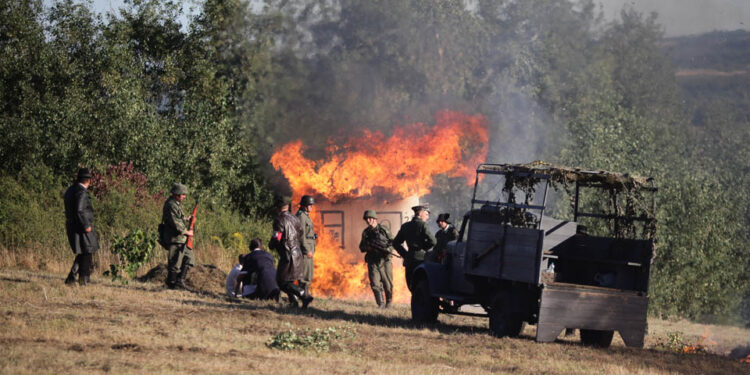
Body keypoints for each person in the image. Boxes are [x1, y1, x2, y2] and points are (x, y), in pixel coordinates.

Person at [269, 195, 313, 308]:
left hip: (287, 255)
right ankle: (293, 302)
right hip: (297, 253)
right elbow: (301, 234)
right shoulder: (294, 218)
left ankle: (303, 295)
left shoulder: (279, 219)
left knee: (282, 281)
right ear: (287, 206)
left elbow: (277, 237)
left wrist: (272, 244)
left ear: (278, 208)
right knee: (290, 280)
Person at [63, 168, 99, 286]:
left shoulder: (70, 190)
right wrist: (86, 225)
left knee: (84, 252)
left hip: (73, 225)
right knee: (88, 251)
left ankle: (71, 278)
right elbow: (80, 210)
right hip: (81, 227)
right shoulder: (82, 192)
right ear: (88, 180)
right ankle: (84, 280)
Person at [393, 205, 436, 290]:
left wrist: (405, 254)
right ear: (420, 213)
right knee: (422, 285)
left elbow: (395, 243)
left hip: (409, 260)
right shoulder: (423, 225)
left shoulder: (405, 226)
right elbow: (433, 241)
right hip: (421, 260)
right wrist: (424, 248)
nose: (427, 217)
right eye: (426, 214)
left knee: (411, 286)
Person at [161, 183, 194, 290]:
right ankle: (171, 285)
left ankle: (180, 281)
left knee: (190, 259)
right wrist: (187, 232)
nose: (184, 197)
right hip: (175, 238)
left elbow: (178, 219)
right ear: (177, 194)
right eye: (183, 194)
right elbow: (175, 223)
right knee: (175, 263)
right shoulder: (170, 204)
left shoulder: (175, 204)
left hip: (181, 239)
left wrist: (186, 219)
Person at [359, 210, 394, 308]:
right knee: (374, 283)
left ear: (375, 219)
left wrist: (388, 249)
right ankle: (380, 304)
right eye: (367, 219)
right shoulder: (366, 233)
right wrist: (368, 248)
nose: (368, 220)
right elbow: (361, 247)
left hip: (385, 260)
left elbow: (393, 242)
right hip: (372, 260)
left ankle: (389, 302)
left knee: (387, 283)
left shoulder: (384, 230)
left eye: (370, 218)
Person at [295, 195, 317, 296]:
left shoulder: (305, 215)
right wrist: (306, 249)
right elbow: (301, 235)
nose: (312, 207)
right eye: (310, 205)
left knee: (309, 274)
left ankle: (304, 295)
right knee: (305, 276)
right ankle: (303, 297)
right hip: (305, 250)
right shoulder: (301, 216)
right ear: (304, 206)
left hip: (309, 249)